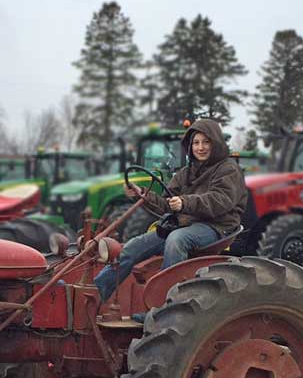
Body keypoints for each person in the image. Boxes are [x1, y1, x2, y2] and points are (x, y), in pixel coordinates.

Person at [94, 119, 248, 309]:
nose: (200, 147)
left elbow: (220, 200)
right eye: (196, 143)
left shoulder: (228, 170)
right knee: (135, 246)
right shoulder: (186, 173)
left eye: (206, 142)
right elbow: (166, 203)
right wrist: (142, 194)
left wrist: (185, 203)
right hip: (186, 224)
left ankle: (163, 308)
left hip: (216, 226)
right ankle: (96, 292)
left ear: (215, 143)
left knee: (176, 239)